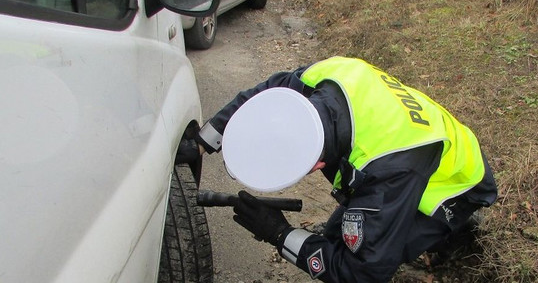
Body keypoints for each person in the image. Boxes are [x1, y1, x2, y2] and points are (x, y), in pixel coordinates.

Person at [191, 56, 498, 282]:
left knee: (349, 249)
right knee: (334, 236)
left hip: (456, 184)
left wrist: (279, 233)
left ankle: (453, 232)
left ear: (320, 164)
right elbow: (267, 92)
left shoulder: (387, 170)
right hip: (409, 153)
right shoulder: (324, 76)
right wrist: (203, 140)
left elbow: (363, 273)